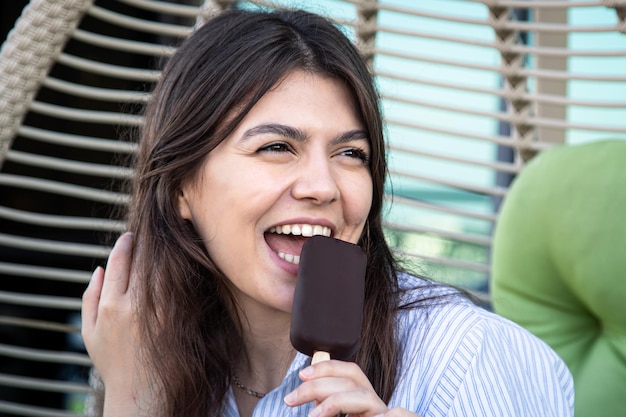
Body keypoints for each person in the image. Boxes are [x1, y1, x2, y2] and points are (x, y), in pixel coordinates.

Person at [81, 7, 574, 417]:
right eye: (276, 147)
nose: (324, 187)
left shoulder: (469, 358)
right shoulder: (144, 350)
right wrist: (131, 400)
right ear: (181, 189)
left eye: (351, 154)